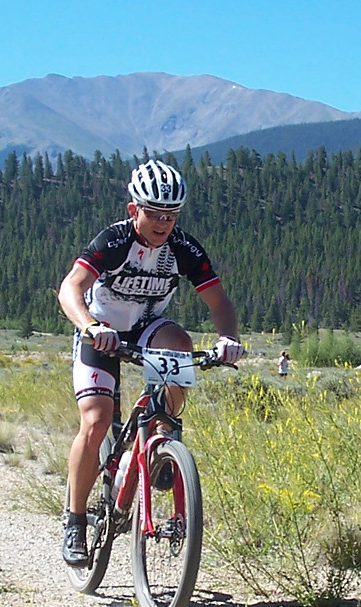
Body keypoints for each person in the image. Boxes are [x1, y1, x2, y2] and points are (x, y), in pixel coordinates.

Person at [57, 159, 244, 567]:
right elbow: (71, 287)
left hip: (145, 328)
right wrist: (89, 325)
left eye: (172, 215)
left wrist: (228, 337)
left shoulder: (184, 248)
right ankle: (75, 520)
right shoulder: (114, 241)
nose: (163, 223)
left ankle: (161, 441)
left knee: (180, 340)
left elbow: (219, 302)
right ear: (133, 210)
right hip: (101, 329)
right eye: (155, 213)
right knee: (96, 420)